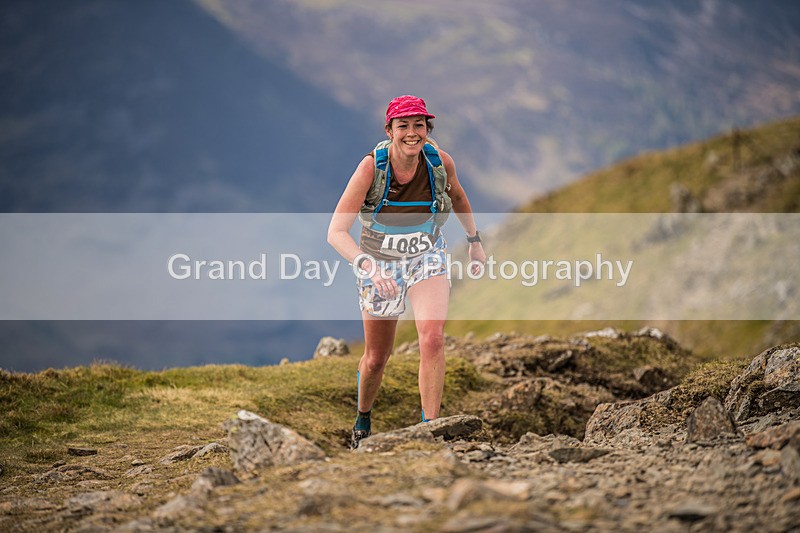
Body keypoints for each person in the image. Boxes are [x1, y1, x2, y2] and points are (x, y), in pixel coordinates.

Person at [327, 95, 486, 449]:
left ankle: (430, 430)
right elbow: (336, 232)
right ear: (389, 130)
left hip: (427, 254)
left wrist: (474, 240)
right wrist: (367, 267)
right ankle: (363, 420)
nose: (412, 133)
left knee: (432, 337)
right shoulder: (371, 168)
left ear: (427, 129)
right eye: (404, 126)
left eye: (419, 125)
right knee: (376, 358)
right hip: (377, 262)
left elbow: (457, 197)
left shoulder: (439, 162)